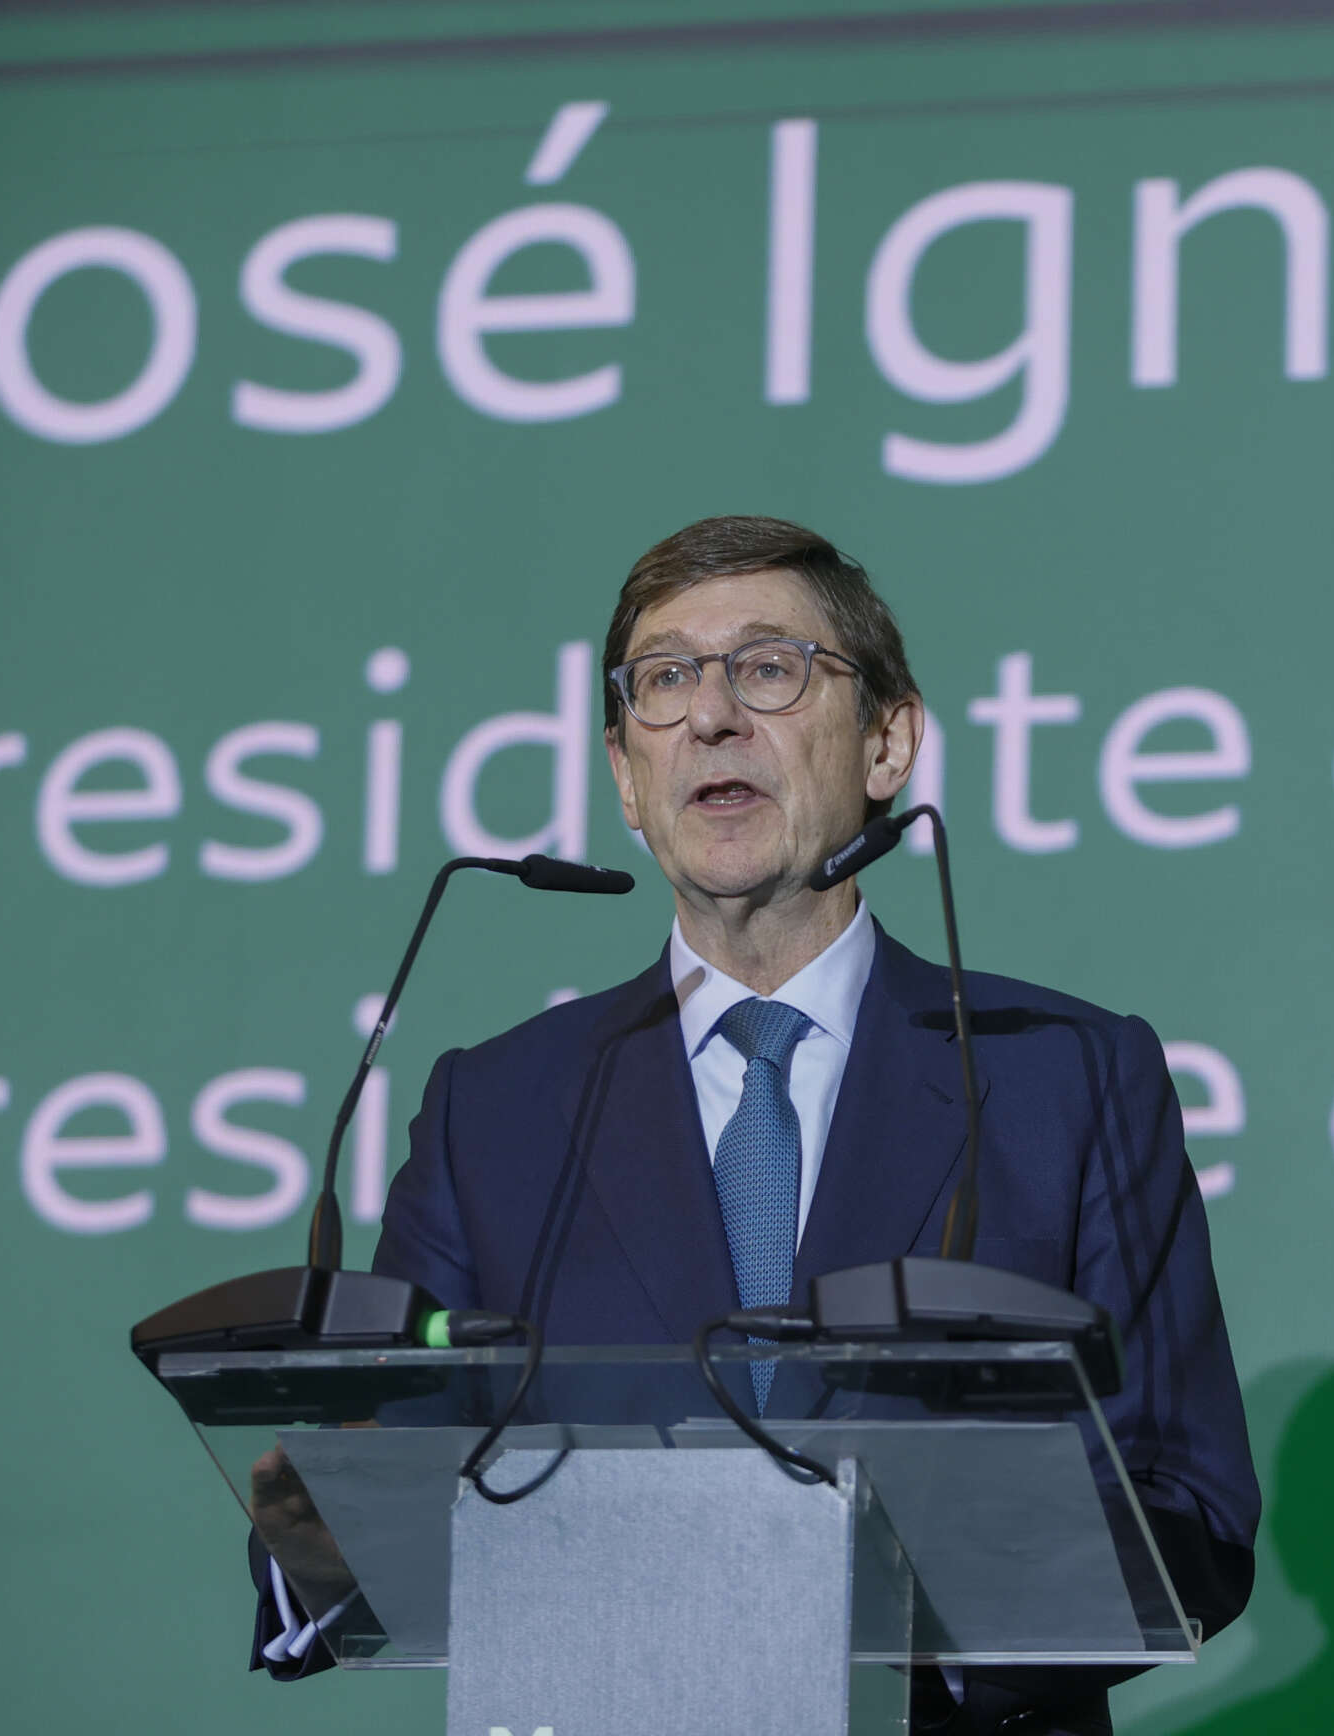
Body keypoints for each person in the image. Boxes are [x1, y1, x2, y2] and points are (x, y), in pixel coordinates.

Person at [251, 516, 1258, 1733]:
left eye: (769, 666)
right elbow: (401, 1491)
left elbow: (1187, 1515)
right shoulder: (495, 1110)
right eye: (665, 679)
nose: (712, 716)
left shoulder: (1068, 1079)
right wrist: (320, 1546)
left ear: (887, 739)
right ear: (625, 771)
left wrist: (885, 1606)